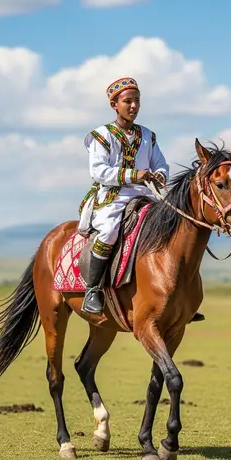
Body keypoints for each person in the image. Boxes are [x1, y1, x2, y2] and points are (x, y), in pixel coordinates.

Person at [77, 77, 205, 324]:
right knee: (109, 232)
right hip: (112, 196)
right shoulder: (100, 136)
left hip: (145, 194)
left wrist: (159, 174)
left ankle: (181, 297)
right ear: (114, 104)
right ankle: (93, 290)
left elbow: (160, 163)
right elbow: (99, 171)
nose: (133, 106)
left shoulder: (148, 135)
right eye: (128, 101)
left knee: (174, 228)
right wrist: (134, 174)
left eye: (137, 101)